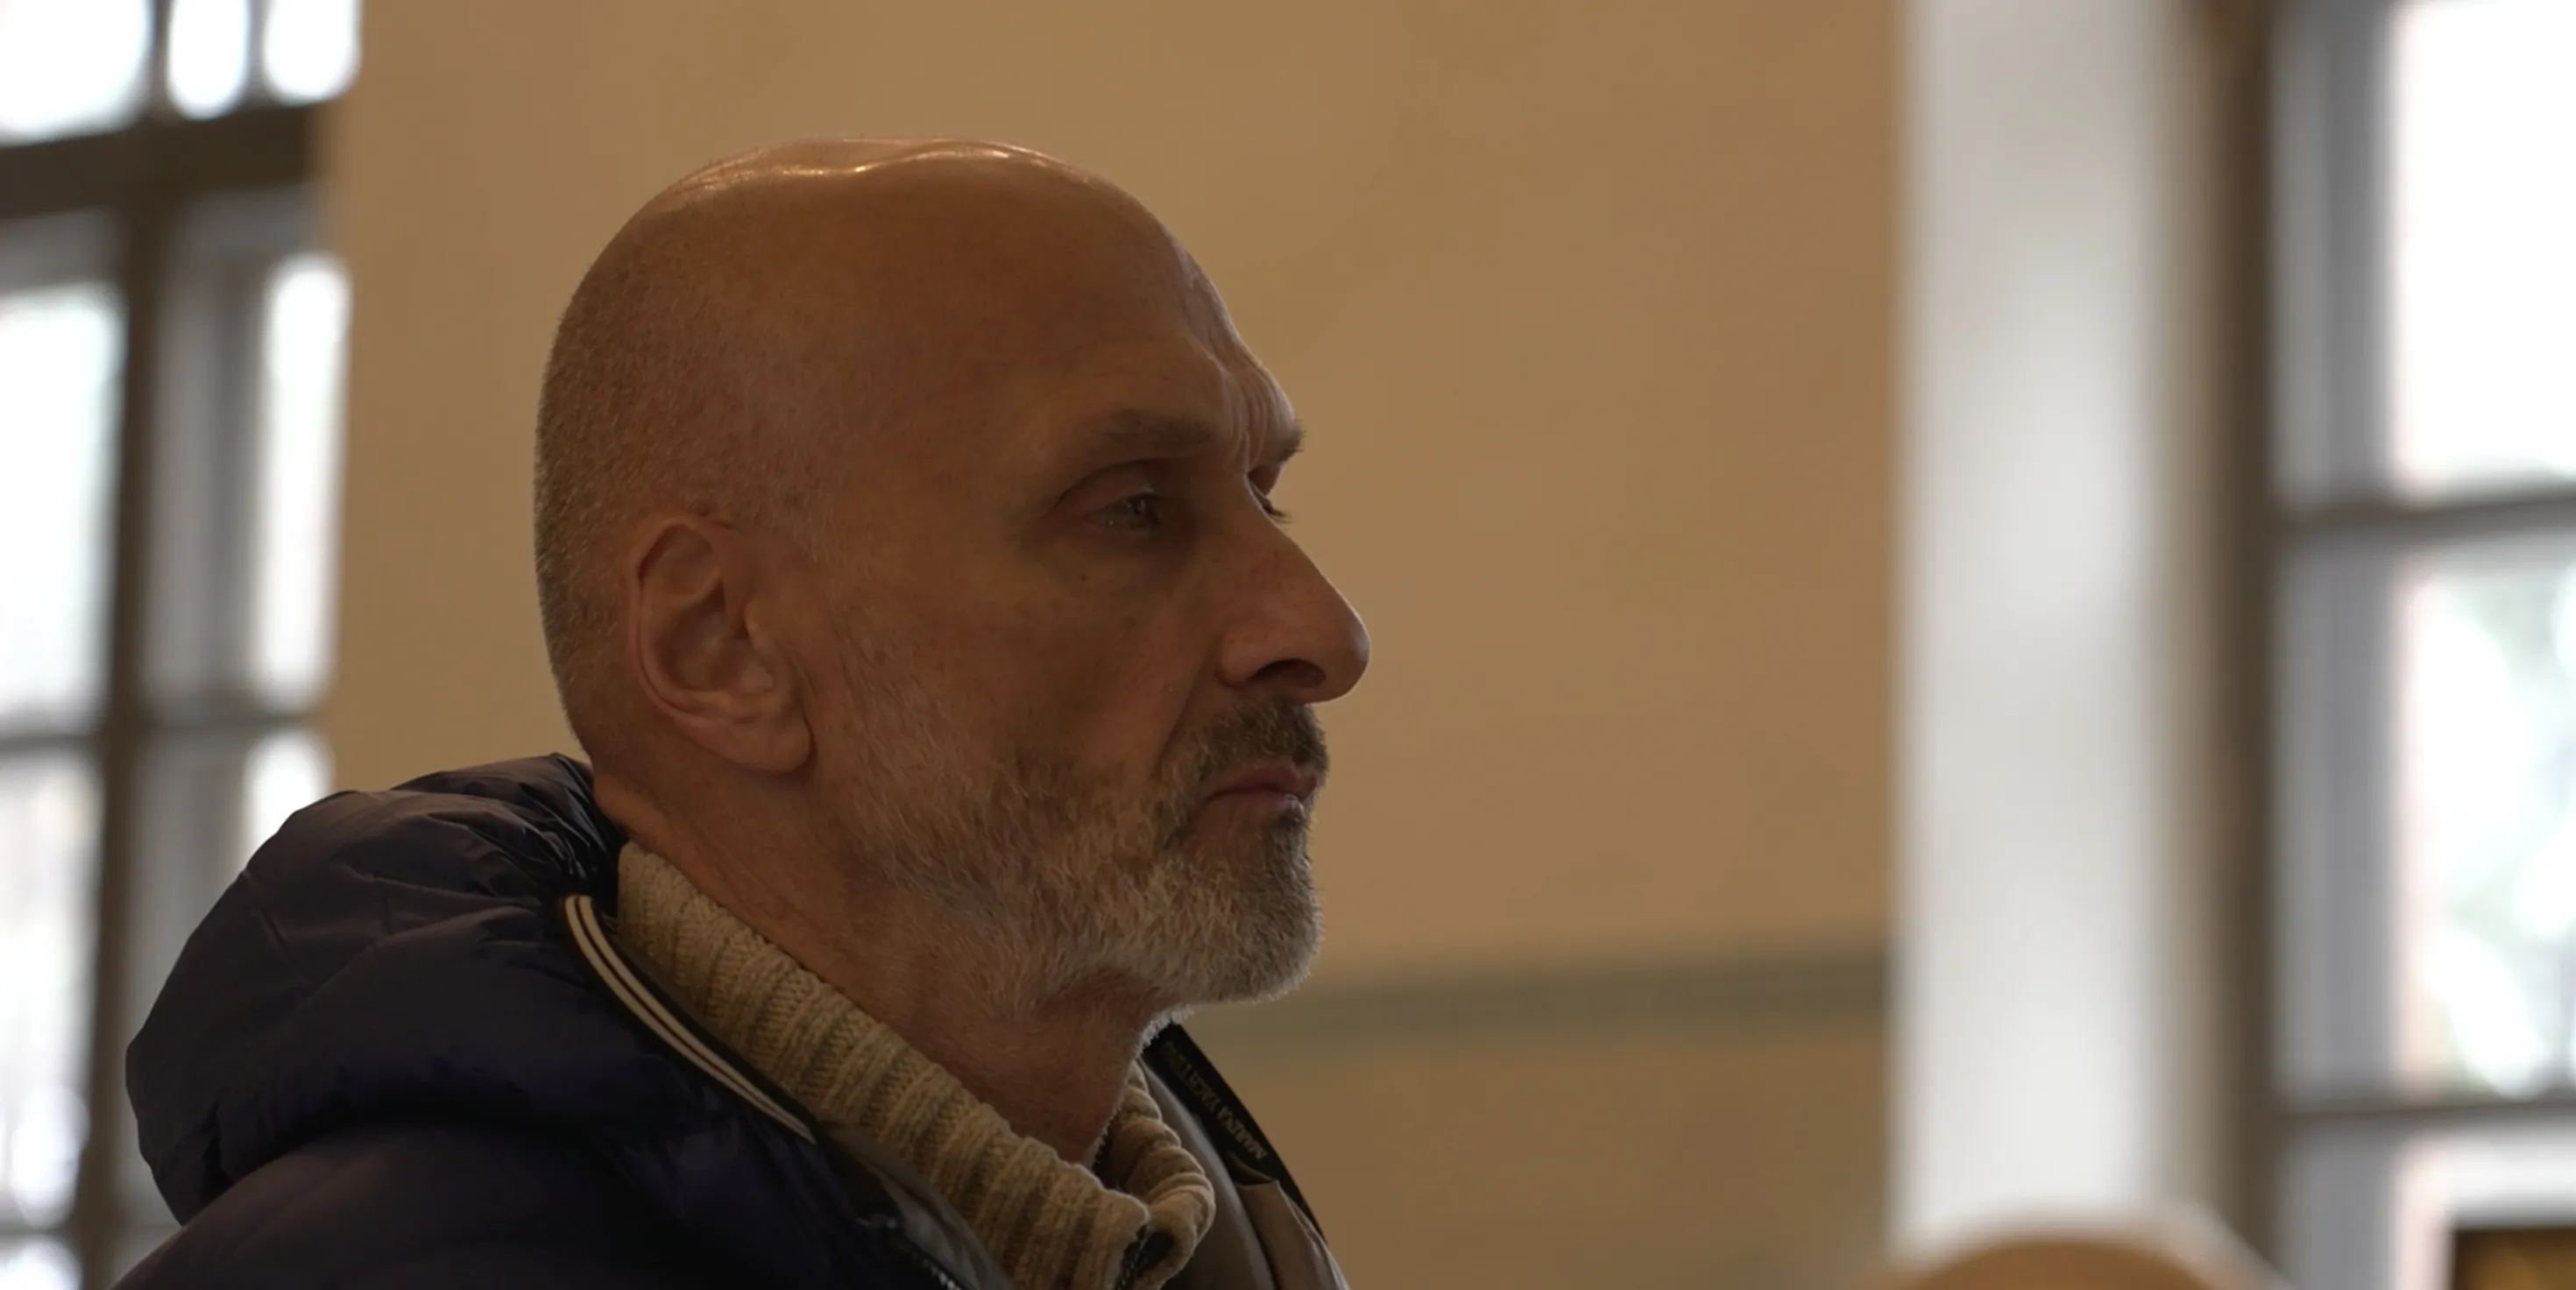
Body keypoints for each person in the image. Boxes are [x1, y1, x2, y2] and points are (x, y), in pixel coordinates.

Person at [118, 138, 1370, 1290]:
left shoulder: (1207, 1243)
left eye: (1264, 495)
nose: (1322, 633)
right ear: (722, 647)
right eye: (1132, 509)